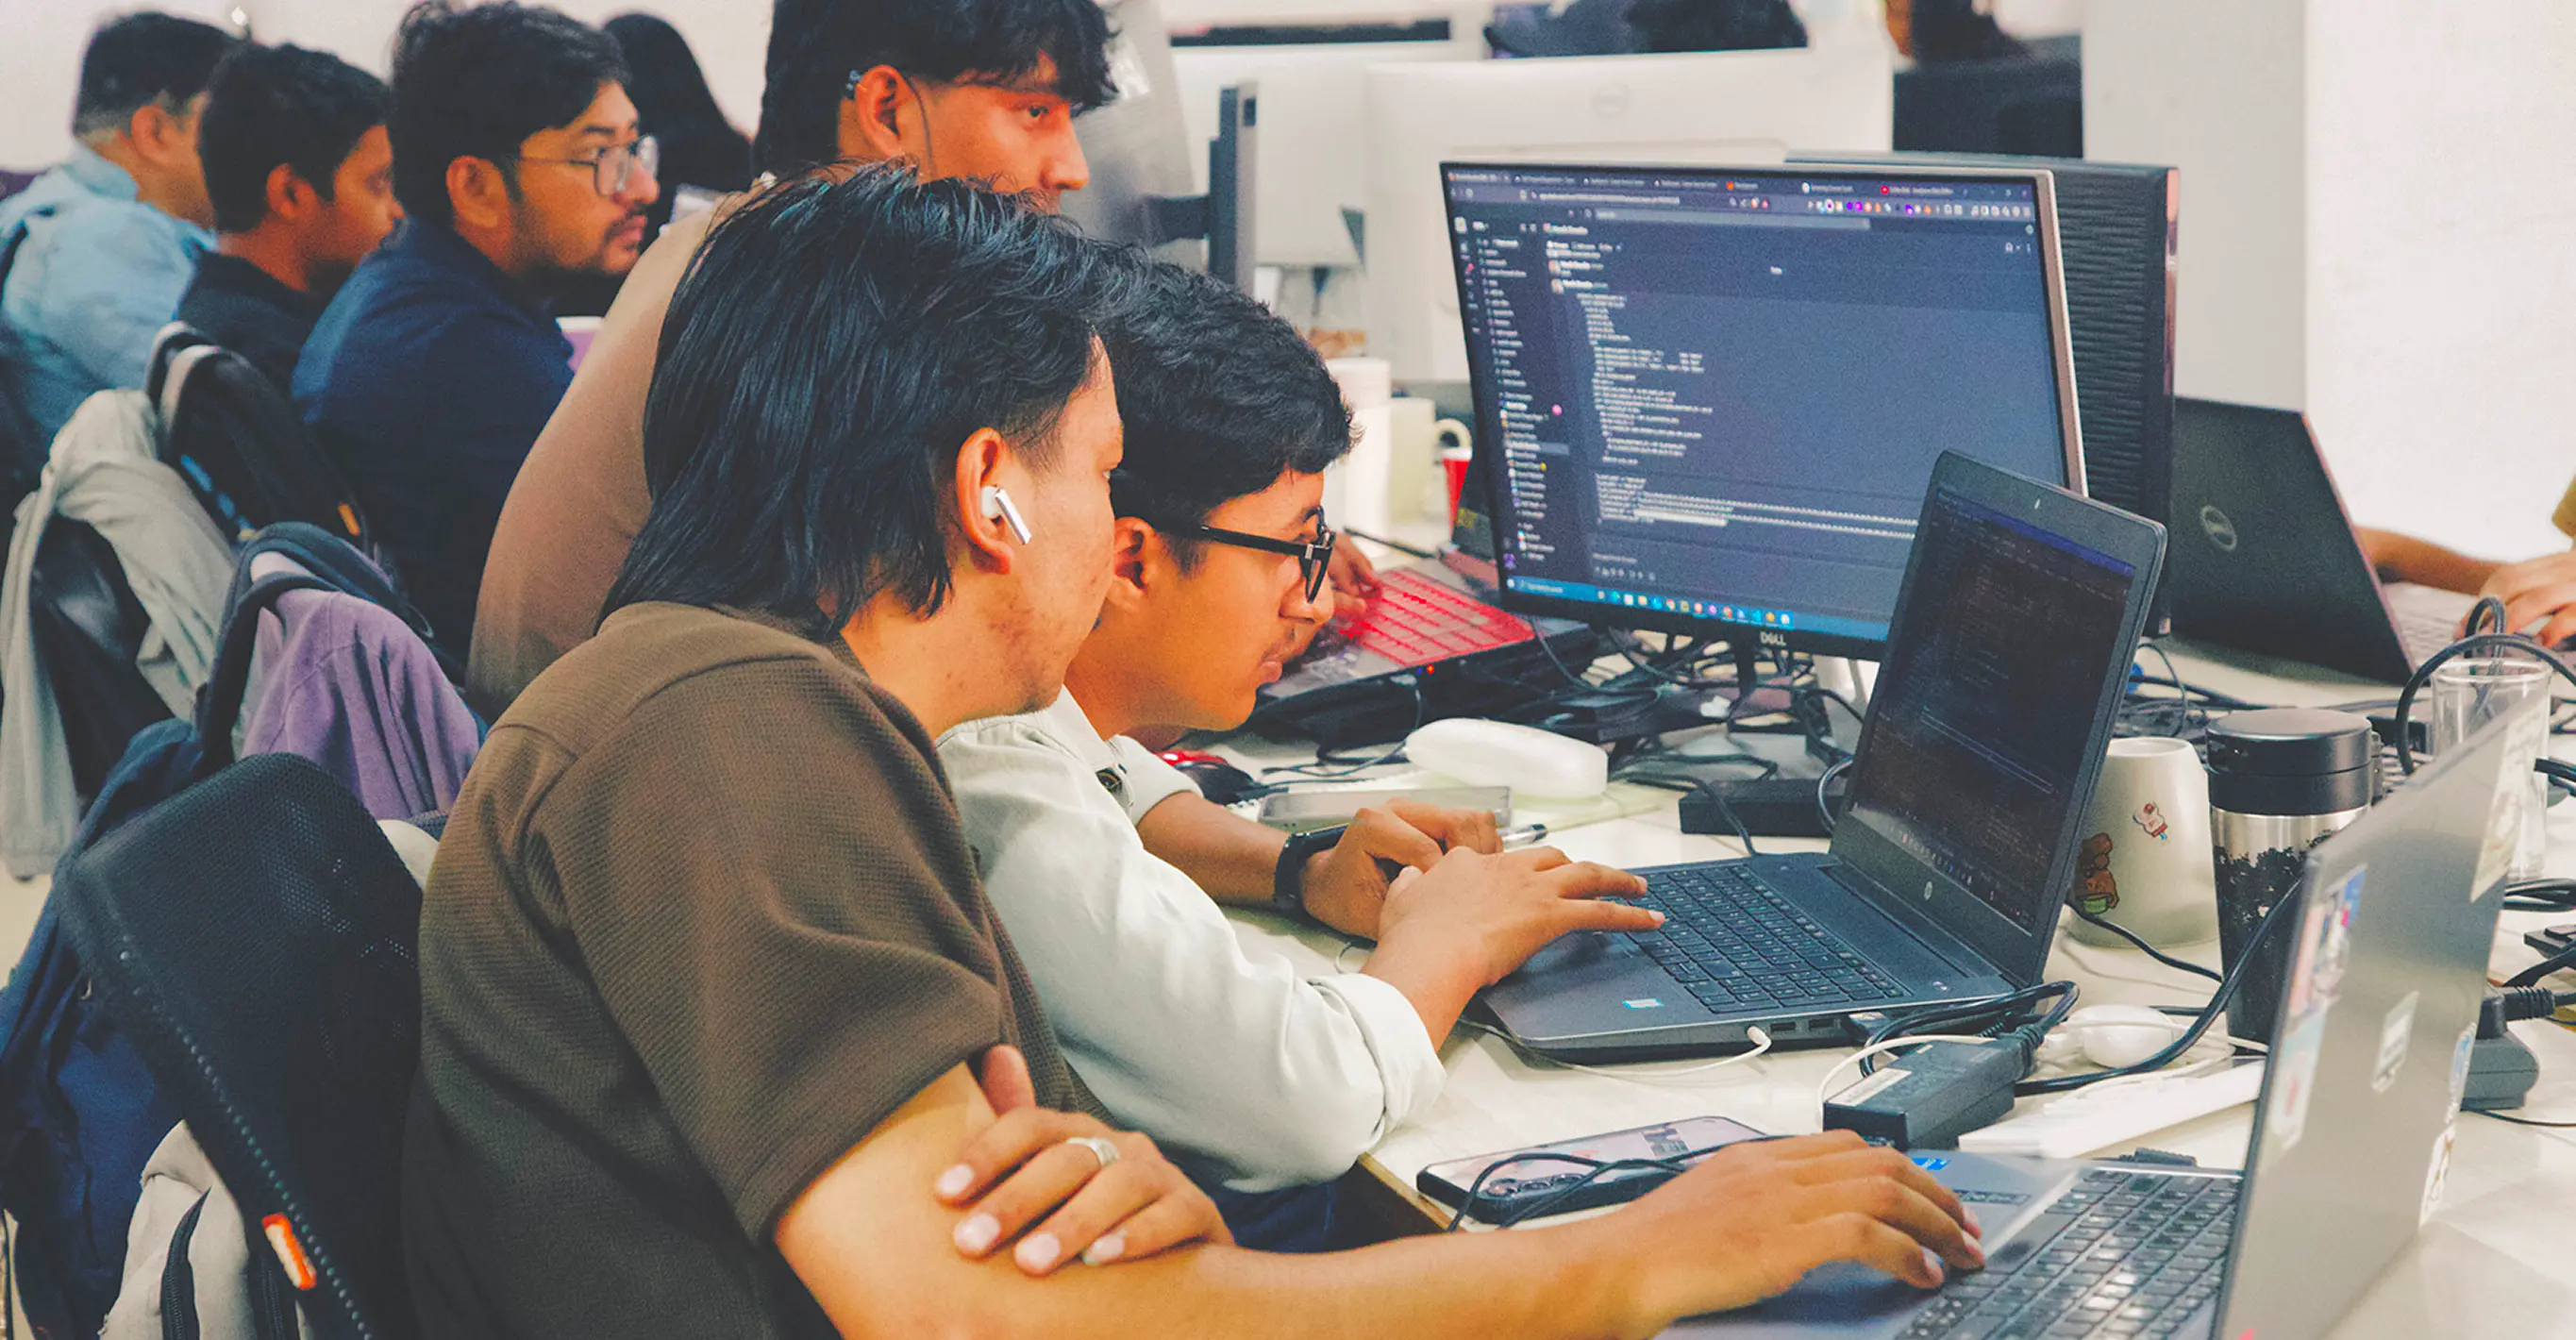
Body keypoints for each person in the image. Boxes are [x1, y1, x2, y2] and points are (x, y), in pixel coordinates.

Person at [406, 164, 1983, 1340]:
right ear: (989, 495)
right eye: (1099, 473)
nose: (1114, 544)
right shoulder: (725, 735)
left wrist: (1131, 1189)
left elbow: (992, 1246)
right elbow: (978, 1320)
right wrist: (1636, 1254)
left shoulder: (752, 703)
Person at [937, 260, 1641, 1251]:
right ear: (1130, 557)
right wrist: (1451, 939)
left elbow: (1127, 788)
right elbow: (1302, 1105)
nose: (1312, 601)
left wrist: (1298, 869)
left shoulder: (1019, 705)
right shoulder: (998, 789)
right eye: (1296, 548)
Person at [464, 0, 1109, 712]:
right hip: (629, 766)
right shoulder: (827, 302)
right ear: (887, 109)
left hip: (579, 736)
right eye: (1034, 113)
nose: (1070, 168)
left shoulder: (729, 240)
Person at [294, 1, 654, 659]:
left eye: (634, 148)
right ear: (477, 187)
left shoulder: (413, 291)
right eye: (600, 156)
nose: (642, 186)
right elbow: (654, 566)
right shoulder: (459, 356)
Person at [0, 13, 236, 448]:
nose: (252, 146)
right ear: (156, 132)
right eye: (234, 120)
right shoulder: (95, 241)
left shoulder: (67, 212)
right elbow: (238, 415)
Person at [175, 43, 398, 392]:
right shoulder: (287, 365)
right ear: (290, 193)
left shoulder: (215, 309)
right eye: (378, 185)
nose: (397, 210)